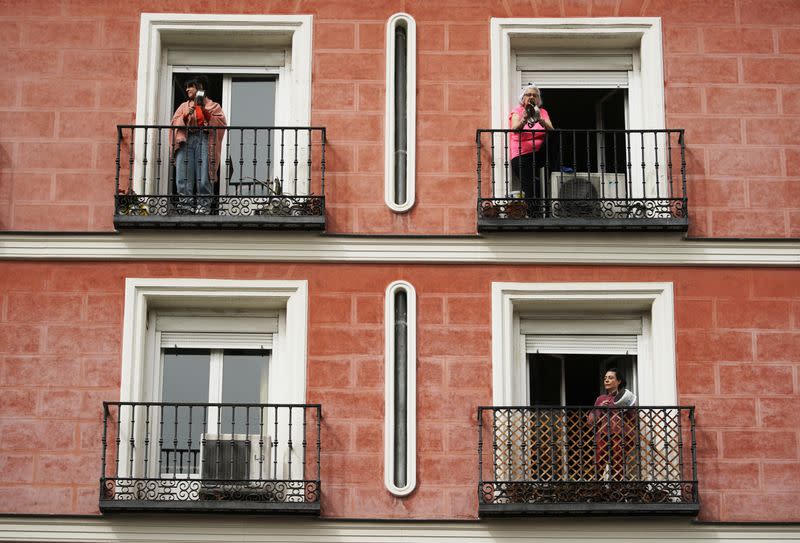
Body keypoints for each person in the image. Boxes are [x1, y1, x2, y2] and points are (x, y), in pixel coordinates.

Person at [170, 76, 226, 214]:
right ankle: (185, 207)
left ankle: (203, 207)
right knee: (183, 176)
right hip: (186, 139)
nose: (187, 89)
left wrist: (205, 112)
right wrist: (184, 117)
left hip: (204, 139)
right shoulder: (184, 106)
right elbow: (174, 124)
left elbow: (221, 124)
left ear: (200, 87)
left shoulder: (214, 106)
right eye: (186, 87)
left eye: (191, 86)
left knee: (204, 176)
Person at [587, 368, 637, 481]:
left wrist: (624, 409)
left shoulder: (626, 398)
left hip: (620, 437)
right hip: (602, 436)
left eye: (610, 378)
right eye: (605, 378)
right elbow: (590, 421)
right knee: (598, 464)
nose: (606, 380)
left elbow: (633, 419)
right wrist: (599, 408)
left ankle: (617, 493)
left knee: (618, 466)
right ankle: (597, 491)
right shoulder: (601, 399)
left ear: (618, 381)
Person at [508, 84, 554, 206]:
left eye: (535, 95)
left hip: (539, 154)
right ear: (523, 98)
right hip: (522, 154)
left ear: (538, 99)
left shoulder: (542, 112)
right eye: (528, 94)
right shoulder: (517, 110)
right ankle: (532, 213)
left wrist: (540, 119)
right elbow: (514, 129)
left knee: (553, 136)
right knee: (531, 185)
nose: (532, 97)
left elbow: (551, 129)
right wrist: (525, 118)